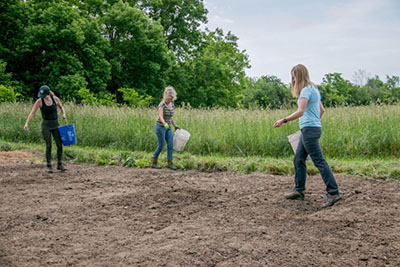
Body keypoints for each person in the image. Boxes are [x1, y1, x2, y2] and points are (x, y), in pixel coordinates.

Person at [273, 64, 342, 208]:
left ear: (298, 75)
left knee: (319, 161)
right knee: (298, 159)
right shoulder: (314, 89)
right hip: (311, 128)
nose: (292, 79)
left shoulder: (305, 91)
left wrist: (283, 120)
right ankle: (299, 190)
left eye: (293, 76)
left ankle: (333, 192)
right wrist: (313, 122)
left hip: (309, 130)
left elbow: (300, 111)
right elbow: (321, 110)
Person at [24, 85, 67, 173]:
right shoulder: (39, 102)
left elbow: (61, 107)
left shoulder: (55, 99)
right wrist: (26, 123)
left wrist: (63, 114)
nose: (43, 97)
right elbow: (32, 113)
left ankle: (59, 164)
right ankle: (49, 165)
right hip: (46, 126)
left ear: (48, 93)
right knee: (49, 145)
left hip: (55, 124)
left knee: (59, 144)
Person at [151, 86, 180, 170]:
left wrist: (175, 125)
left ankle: (170, 163)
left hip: (168, 127)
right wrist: (164, 124)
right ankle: (154, 162)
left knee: (170, 145)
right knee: (161, 145)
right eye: (169, 99)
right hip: (160, 127)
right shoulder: (161, 105)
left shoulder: (171, 105)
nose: (170, 100)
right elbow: (160, 116)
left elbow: (171, 116)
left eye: (172, 99)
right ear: (166, 96)